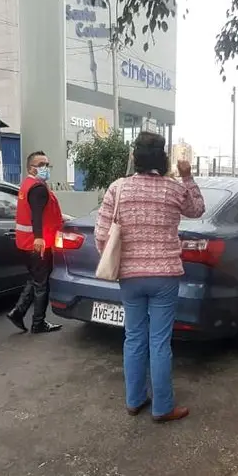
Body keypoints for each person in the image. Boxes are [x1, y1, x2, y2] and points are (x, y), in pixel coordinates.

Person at [94, 131, 204, 423]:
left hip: (130, 277)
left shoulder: (118, 188)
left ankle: (134, 400)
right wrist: (187, 176)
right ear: (163, 158)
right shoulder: (173, 188)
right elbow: (197, 209)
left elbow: (102, 235)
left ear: (135, 157)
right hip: (165, 277)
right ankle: (162, 407)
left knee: (133, 337)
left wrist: (117, 260)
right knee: (159, 342)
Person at [8, 151, 63, 334]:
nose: (45, 168)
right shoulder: (38, 188)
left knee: (35, 279)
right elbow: (37, 215)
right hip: (37, 243)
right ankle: (38, 323)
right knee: (42, 284)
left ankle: (18, 312)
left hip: (25, 242)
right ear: (31, 168)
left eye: (47, 164)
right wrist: (39, 237)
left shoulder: (27, 184)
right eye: (41, 165)